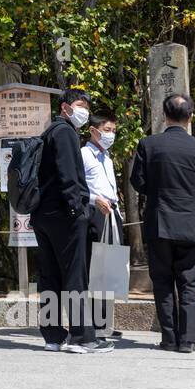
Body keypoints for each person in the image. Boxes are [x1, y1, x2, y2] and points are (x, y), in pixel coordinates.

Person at [32, 88, 113, 354]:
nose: (84, 111)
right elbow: (68, 176)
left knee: (50, 276)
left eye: (87, 107)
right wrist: (78, 210)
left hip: (43, 214)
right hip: (64, 215)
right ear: (65, 107)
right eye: (80, 105)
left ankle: (53, 335)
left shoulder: (48, 132)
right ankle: (82, 337)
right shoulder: (65, 133)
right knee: (74, 275)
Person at [130, 93, 195, 353]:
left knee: (163, 282)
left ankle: (168, 337)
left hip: (160, 221)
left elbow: (137, 182)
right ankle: (188, 340)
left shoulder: (148, 144)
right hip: (193, 223)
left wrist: (156, 191)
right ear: (191, 116)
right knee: (190, 282)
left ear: (164, 115)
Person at [82, 113, 123, 339]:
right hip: (95, 213)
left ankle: (104, 322)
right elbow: (76, 186)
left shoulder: (107, 157)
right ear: (93, 130)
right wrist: (93, 199)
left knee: (111, 269)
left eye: (113, 131)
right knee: (95, 269)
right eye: (107, 130)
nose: (111, 135)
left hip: (112, 213)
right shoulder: (84, 154)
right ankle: (91, 323)